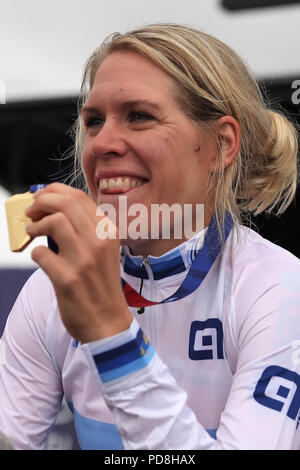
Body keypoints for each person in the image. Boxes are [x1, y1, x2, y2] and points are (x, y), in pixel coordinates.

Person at [0, 23, 299, 450]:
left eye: (139, 116)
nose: (102, 143)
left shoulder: (278, 287)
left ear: (220, 145)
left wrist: (111, 334)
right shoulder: (50, 290)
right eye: (93, 121)